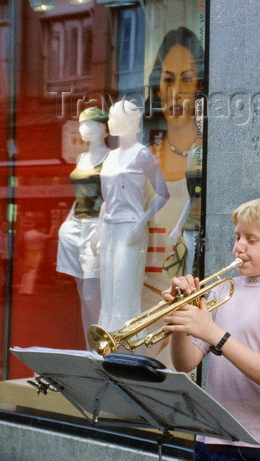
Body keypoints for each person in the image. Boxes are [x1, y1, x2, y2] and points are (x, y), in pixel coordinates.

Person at [161, 197, 260, 461]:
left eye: (251, 240)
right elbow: (185, 364)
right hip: (211, 438)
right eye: (237, 237)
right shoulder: (223, 288)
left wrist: (214, 334)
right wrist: (180, 319)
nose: (239, 247)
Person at [96, 100, 169, 333]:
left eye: (114, 117)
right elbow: (107, 200)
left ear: (130, 122)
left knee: (125, 285)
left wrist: (141, 222)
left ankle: (126, 337)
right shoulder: (109, 157)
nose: (110, 122)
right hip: (109, 227)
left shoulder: (142, 154)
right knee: (108, 287)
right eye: (110, 117)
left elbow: (163, 194)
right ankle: (106, 337)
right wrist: (98, 232)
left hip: (130, 227)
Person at [142, 27, 205, 288]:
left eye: (186, 80)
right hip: (143, 293)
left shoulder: (205, 156)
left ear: (199, 87)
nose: (176, 92)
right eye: (168, 80)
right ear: (157, 88)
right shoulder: (144, 158)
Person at [56, 107, 110, 346]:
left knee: (92, 292)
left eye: (88, 124)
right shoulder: (80, 158)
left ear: (103, 129)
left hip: (95, 225)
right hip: (74, 226)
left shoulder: (111, 157)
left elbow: (110, 198)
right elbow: (77, 197)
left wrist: (100, 227)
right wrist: (65, 224)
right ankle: (91, 349)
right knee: (81, 291)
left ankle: (104, 344)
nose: (82, 129)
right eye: (81, 124)